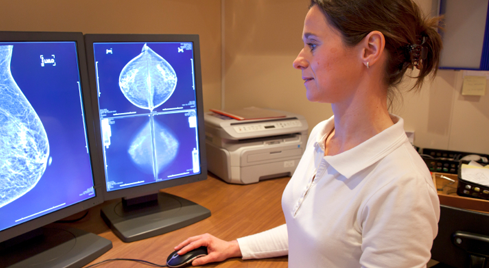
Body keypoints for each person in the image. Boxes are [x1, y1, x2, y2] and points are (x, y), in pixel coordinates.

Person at [174, 0, 442, 267]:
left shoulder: (403, 187)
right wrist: (235, 246)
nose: (298, 60)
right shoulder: (321, 135)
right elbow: (311, 232)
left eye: (312, 45)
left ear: (370, 49)